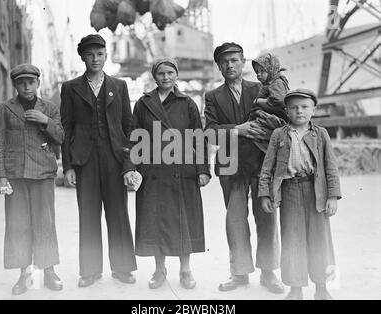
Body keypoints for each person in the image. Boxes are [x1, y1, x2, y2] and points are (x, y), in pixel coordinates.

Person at [204, 42, 284, 293]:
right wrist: (238, 129)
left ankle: (269, 273)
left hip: (262, 164)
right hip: (231, 166)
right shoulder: (213, 96)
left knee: (267, 218)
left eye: (235, 60)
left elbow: (282, 119)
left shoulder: (262, 88)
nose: (230, 65)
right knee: (236, 221)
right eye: (225, 61)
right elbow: (209, 133)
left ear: (243, 62)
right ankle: (239, 273)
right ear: (219, 66)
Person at [125, 58, 210, 290]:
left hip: (182, 170)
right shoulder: (143, 104)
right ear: (155, 76)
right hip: (152, 171)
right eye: (161, 73)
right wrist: (130, 167)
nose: (165, 77)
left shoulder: (188, 103)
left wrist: (203, 170)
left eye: (170, 72)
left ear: (176, 75)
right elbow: (134, 137)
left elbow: (199, 139)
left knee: (183, 220)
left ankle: (185, 270)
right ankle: (159, 270)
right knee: (155, 220)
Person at [60, 34, 137, 288]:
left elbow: (128, 128)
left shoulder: (120, 85)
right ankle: (90, 271)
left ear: (106, 56)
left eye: (100, 54)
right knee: (89, 215)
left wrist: (128, 165)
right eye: (91, 54)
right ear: (83, 57)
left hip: (114, 158)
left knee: (118, 213)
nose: (96, 59)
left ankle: (123, 268)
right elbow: (66, 129)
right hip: (85, 160)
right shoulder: (71, 88)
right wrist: (69, 165)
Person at [258, 89, 341, 300]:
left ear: (314, 110)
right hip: (289, 191)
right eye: (294, 107)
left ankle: (321, 287)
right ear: (286, 111)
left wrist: (332, 196)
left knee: (319, 240)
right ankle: (295, 288)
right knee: (292, 240)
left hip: (316, 191)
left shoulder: (321, 134)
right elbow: (268, 167)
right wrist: (265, 194)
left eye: (305, 107)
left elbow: (330, 167)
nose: (299, 111)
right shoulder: (279, 135)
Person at [0, 64, 64, 295]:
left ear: (38, 84)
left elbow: (60, 137)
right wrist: (0, 176)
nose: (27, 86)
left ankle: (49, 271)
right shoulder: (5, 109)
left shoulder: (49, 108)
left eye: (31, 82)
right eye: (21, 83)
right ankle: (24, 273)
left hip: (42, 173)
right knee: (18, 225)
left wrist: (45, 121)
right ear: (15, 85)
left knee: (45, 223)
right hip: (16, 175)